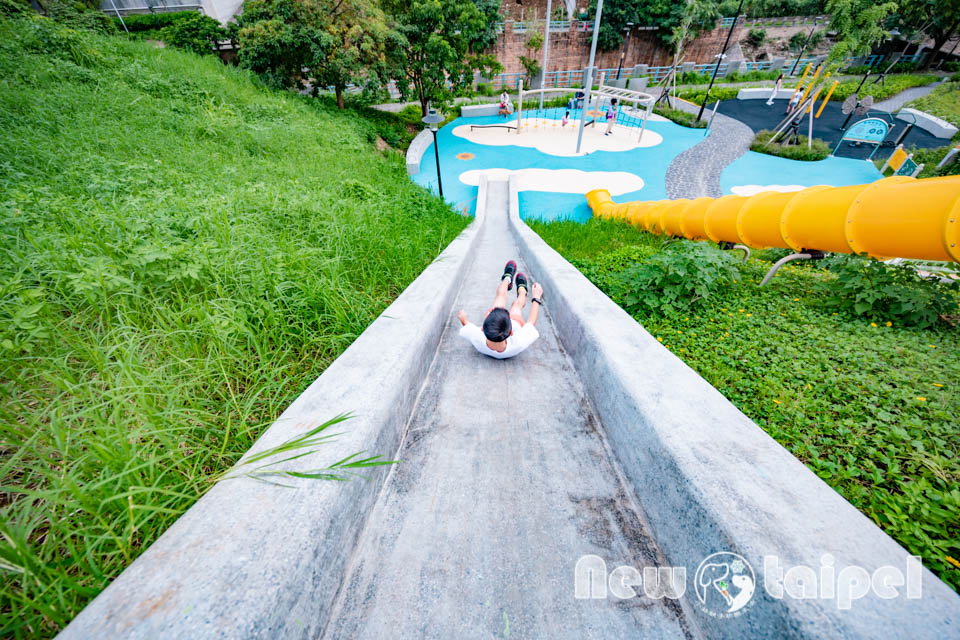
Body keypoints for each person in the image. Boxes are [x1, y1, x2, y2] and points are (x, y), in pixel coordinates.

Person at [458, 260, 544, 360]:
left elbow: (466, 325)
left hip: (502, 325)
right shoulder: (518, 342)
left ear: (482, 329)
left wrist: (463, 319)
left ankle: (507, 278)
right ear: (511, 333)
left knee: (501, 297)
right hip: (514, 324)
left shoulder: (477, 338)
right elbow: (531, 322)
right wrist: (536, 297)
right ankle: (522, 290)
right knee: (516, 304)